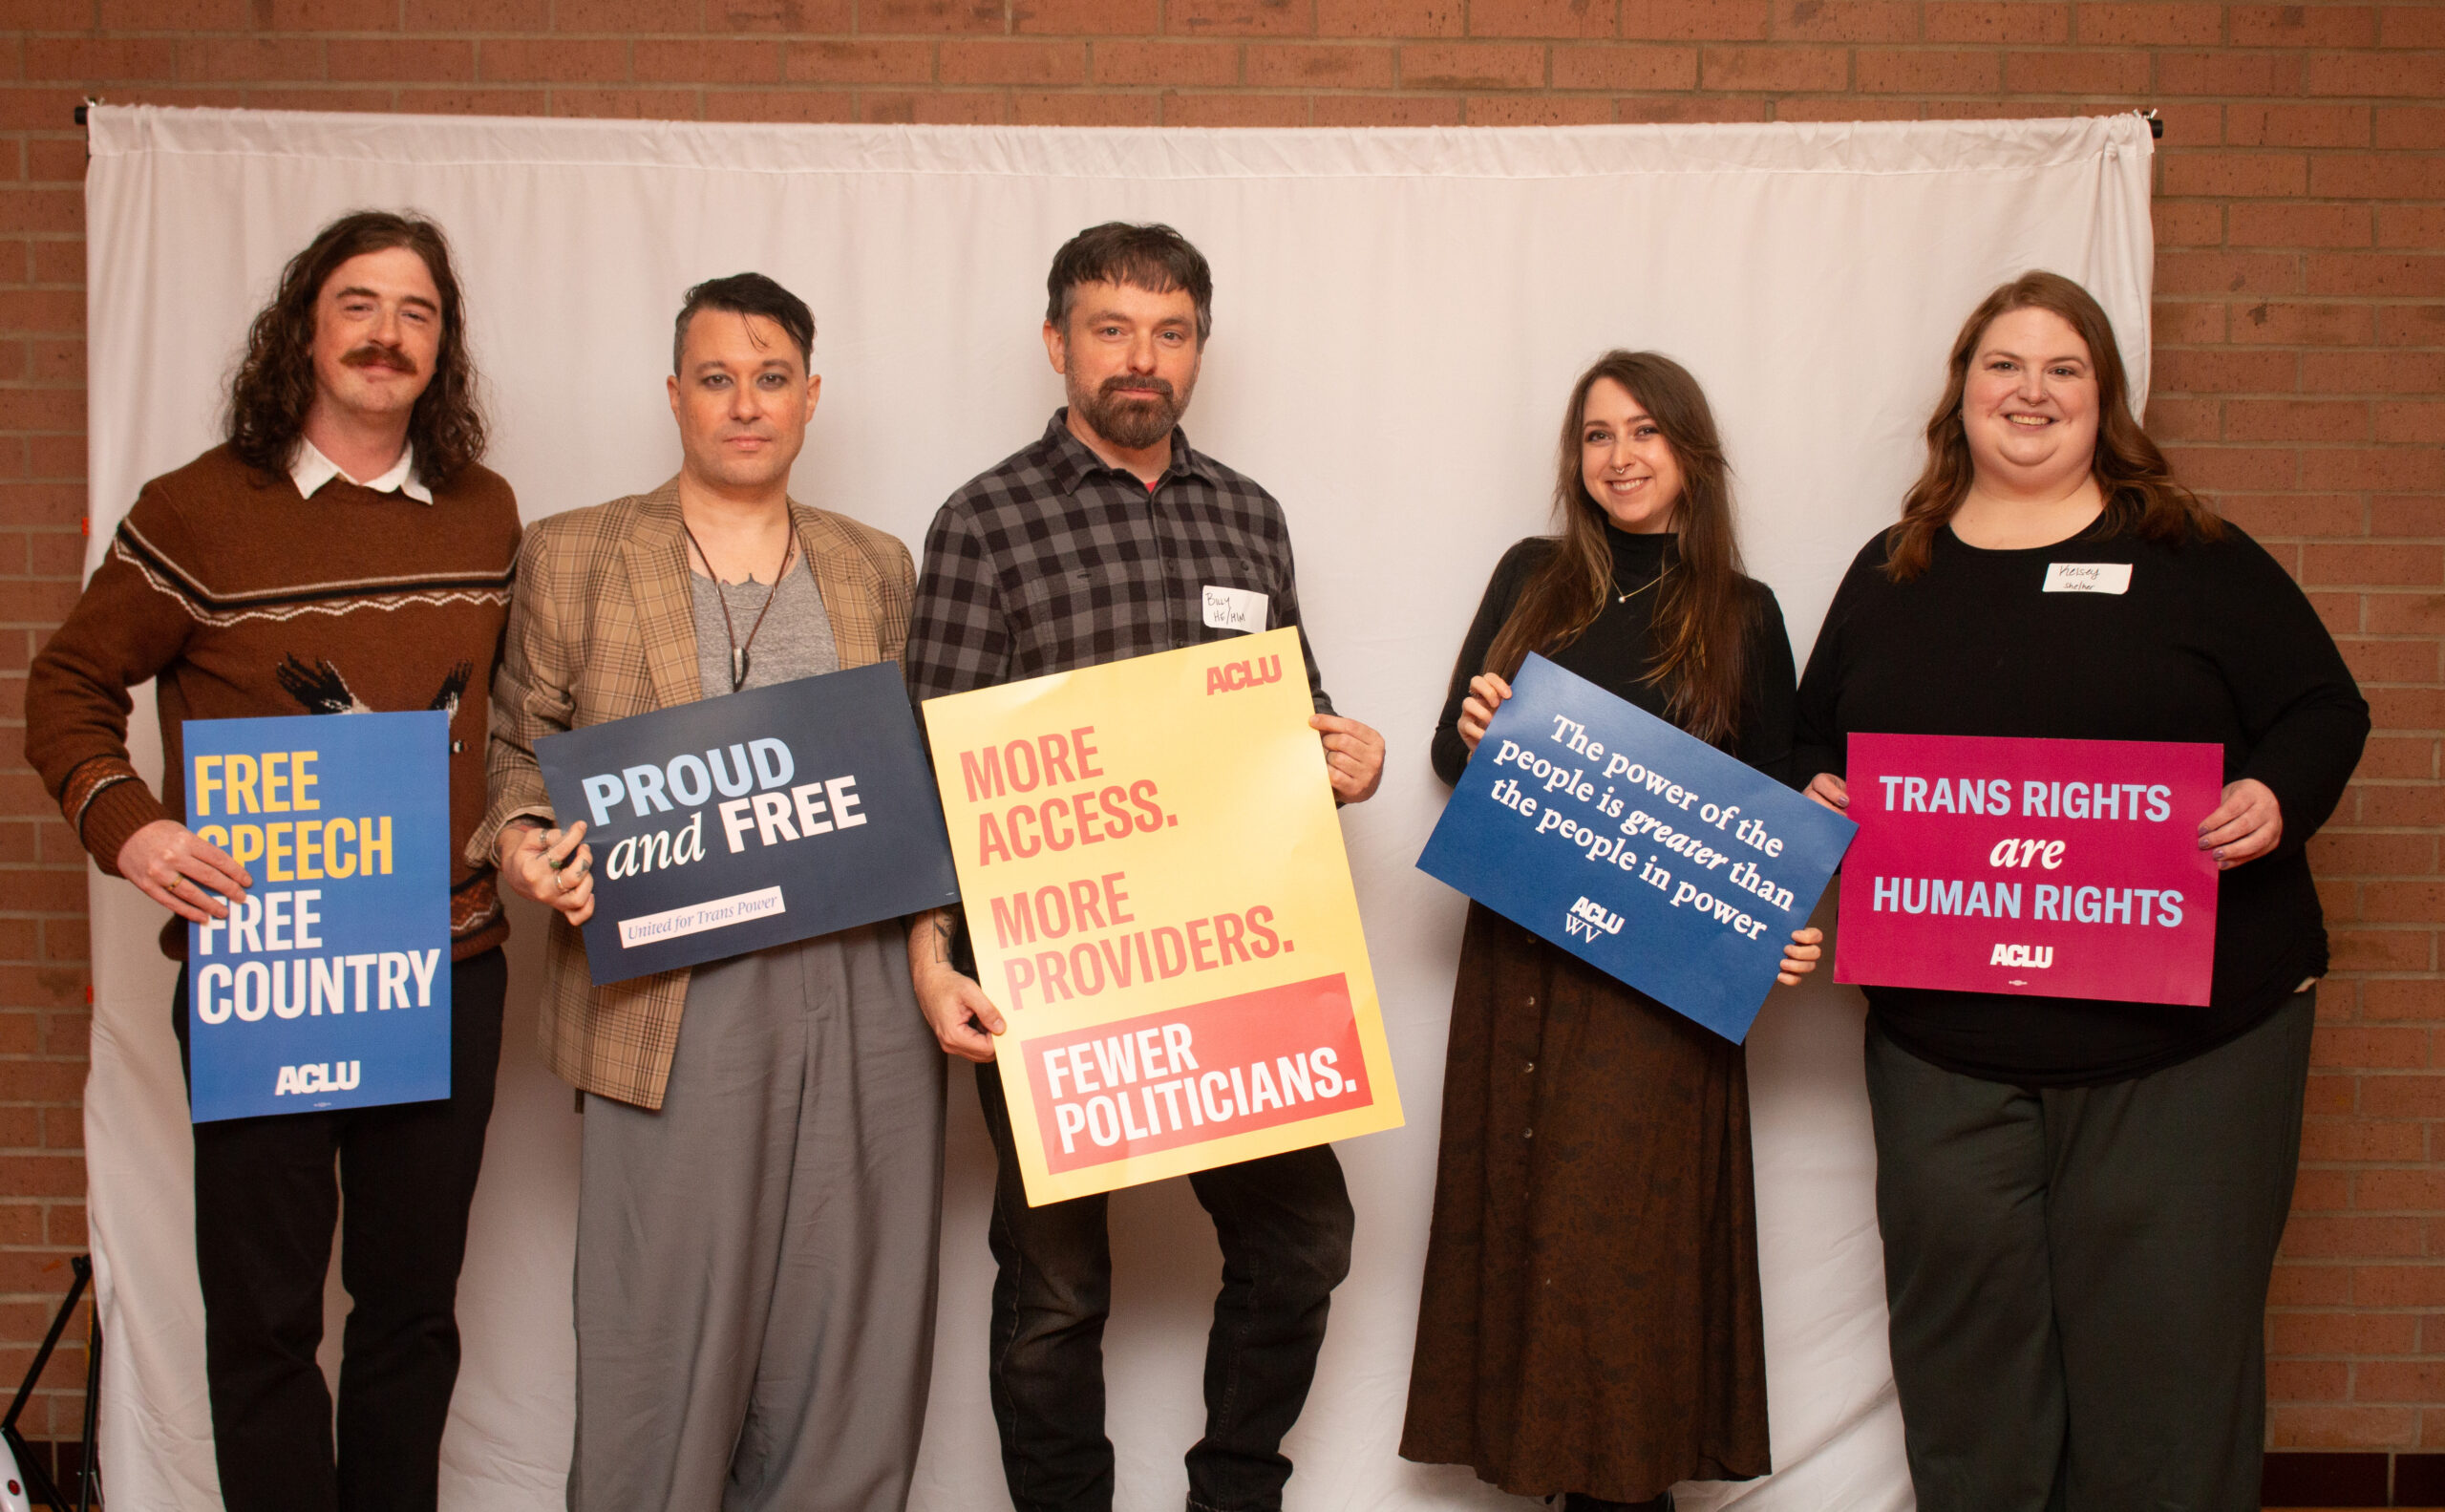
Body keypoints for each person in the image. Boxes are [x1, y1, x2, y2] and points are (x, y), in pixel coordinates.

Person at [1794, 270, 2369, 1512]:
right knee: (1965, 1363)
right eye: (2006, 363)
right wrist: (1818, 793)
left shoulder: (2192, 555)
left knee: (2168, 1368)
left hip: (2190, 1051)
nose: (2032, 390)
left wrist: (2274, 799)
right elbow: (1808, 743)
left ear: (2104, 399)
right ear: (1963, 393)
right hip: (1948, 1049)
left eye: (2065, 367)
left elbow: (2323, 708)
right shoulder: (1892, 571)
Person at [22, 211, 519, 1512]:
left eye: (417, 312)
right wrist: (131, 822)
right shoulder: (197, 510)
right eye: (359, 303)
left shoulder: (483, 510)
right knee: (263, 1313)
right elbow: (67, 683)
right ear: (304, 325)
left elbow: (511, 718)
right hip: (271, 967)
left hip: (449, 970)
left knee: (413, 1311)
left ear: (442, 345)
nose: (386, 334)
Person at [903, 221, 1388, 1512]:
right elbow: (931, 761)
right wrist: (933, 956)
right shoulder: (986, 522)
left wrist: (1348, 753)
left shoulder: (1248, 515)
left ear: (1199, 352)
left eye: (1171, 333)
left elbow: (1293, 708)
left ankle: (1236, 1490)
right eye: (1112, 329)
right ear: (1057, 342)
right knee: (1059, 1291)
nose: (1142, 358)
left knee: (1307, 1240)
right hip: (1058, 970)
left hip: (1235, 958)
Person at [474, 273, 942, 1511]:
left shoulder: (876, 565)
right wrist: (526, 842)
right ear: (674, 393)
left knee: (843, 1336)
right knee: (660, 1344)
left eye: (773, 377)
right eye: (719, 378)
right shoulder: (576, 549)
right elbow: (517, 746)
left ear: (811, 396)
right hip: (660, 993)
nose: (747, 403)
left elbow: (917, 777)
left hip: (859, 988)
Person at [1398, 351, 1823, 1512]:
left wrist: (1777, 922)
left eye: (1645, 432)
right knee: (1528, 1240)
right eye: (1596, 435)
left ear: (1690, 454)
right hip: (1521, 968)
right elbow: (1450, 755)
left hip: (1657, 993)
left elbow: (1778, 805)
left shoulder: (1743, 613)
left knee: (1619, 1266)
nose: (1620, 456)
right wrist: (1477, 731)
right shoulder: (1530, 577)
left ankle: (1620, 1495)